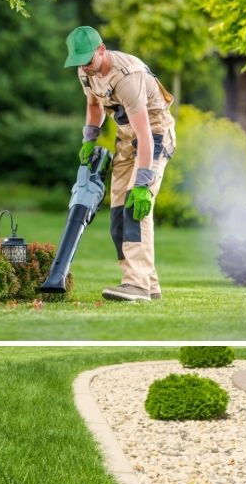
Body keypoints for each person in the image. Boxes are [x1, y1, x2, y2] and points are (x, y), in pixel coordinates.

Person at [64, 26, 175, 302]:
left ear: (101, 49)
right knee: (117, 214)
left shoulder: (128, 76)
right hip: (126, 137)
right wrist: (89, 138)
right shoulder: (85, 71)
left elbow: (146, 135)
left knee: (135, 206)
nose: (85, 68)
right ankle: (148, 284)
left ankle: (136, 284)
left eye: (88, 61)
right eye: (79, 63)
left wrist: (142, 183)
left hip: (154, 133)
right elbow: (94, 106)